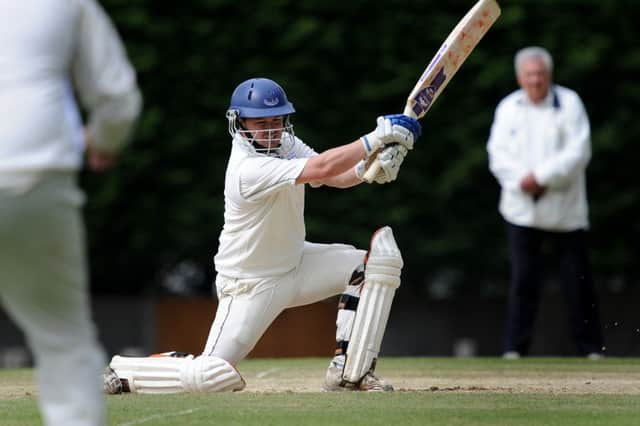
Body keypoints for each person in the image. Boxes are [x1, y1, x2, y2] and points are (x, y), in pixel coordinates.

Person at [104, 77, 421, 393]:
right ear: (239, 122)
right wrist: (375, 139)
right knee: (211, 374)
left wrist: (369, 170)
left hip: (296, 264)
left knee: (374, 265)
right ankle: (126, 371)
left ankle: (350, 372)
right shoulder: (246, 169)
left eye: (276, 120)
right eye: (261, 122)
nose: (271, 129)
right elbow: (321, 168)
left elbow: (334, 176)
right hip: (249, 284)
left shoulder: (285, 144)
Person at [0, 0, 142, 424]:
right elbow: (117, 99)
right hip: (32, 173)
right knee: (64, 340)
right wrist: (104, 141)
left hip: (32, 171)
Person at [486, 46, 604, 359]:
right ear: (520, 77)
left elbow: (578, 151)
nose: (535, 80)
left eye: (540, 74)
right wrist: (522, 180)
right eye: (529, 74)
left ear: (548, 75)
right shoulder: (508, 107)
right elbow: (498, 155)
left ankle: (591, 349)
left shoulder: (569, 103)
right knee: (523, 281)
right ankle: (514, 349)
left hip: (566, 211)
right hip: (521, 211)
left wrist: (541, 177)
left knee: (578, 283)